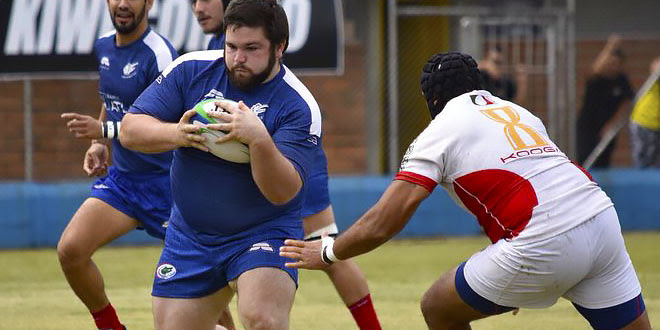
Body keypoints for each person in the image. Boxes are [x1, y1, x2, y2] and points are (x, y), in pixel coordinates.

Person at [280, 52, 652, 330]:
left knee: (438, 307)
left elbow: (384, 221)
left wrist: (328, 251)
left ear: (433, 102)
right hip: (602, 221)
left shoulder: (441, 127)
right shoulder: (518, 112)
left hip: (543, 240)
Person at [120, 1, 321, 328]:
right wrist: (179, 134)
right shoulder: (191, 70)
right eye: (231, 46)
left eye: (252, 48)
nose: (238, 58)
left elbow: (283, 192)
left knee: (263, 320)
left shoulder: (298, 105)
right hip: (190, 235)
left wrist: (258, 139)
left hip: (263, 232)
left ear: (280, 48)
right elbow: (130, 130)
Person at [191, 1, 382, 328]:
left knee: (326, 249)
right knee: (213, 264)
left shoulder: (255, 34)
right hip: (231, 176)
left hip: (286, 157)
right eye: (192, 1)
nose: (197, 8)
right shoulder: (211, 53)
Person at [56, 0, 178, 329]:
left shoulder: (160, 54)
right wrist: (99, 143)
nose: (123, 4)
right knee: (71, 251)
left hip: (170, 188)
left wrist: (105, 131)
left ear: (149, 2)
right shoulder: (103, 45)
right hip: (124, 183)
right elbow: (111, 98)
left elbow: (172, 130)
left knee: (190, 295)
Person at [576, 34, 634, 168]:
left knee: (603, 162)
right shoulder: (597, 79)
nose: (612, 67)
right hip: (588, 127)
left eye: (616, 64)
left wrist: (612, 124)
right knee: (586, 159)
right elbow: (595, 68)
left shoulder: (621, 80)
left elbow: (627, 102)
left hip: (607, 128)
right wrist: (610, 46)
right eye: (610, 63)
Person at [630, 55, 660, 168]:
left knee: (656, 161)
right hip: (644, 121)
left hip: (657, 124)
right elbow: (656, 66)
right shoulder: (656, 78)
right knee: (643, 159)